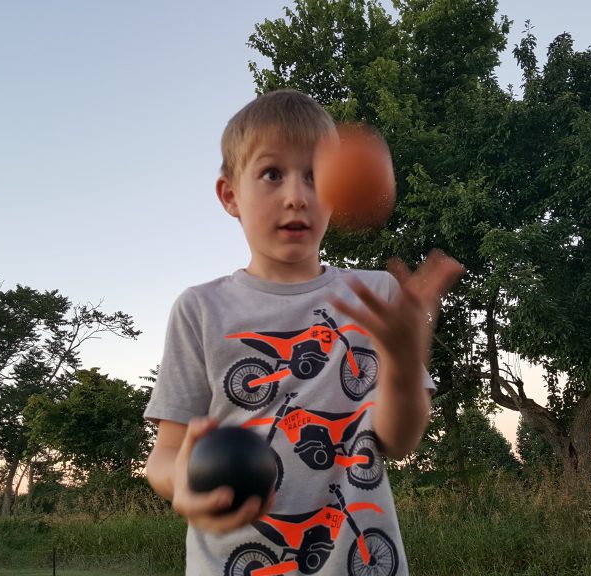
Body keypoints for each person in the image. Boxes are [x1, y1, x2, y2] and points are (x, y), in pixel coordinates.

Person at [144, 88, 463, 575]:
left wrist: (402, 366)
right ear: (230, 195)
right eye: (272, 174)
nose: (297, 196)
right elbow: (165, 454)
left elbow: (398, 442)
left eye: (315, 176)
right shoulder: (200, 309)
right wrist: (181, 483)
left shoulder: (375, 296)